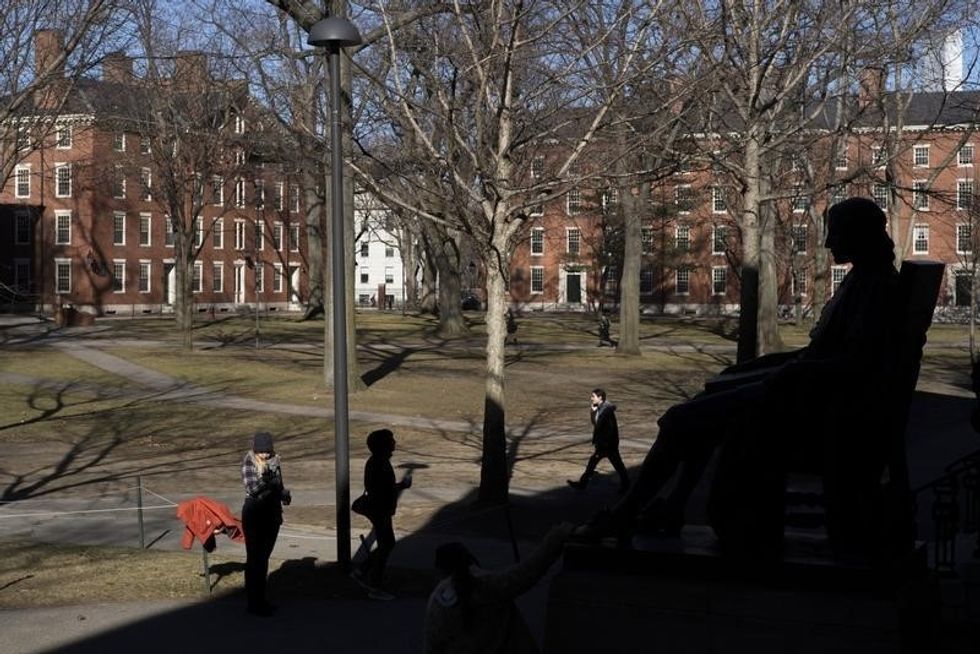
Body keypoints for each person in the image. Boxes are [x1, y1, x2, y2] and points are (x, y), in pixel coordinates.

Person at [577, 197, 901, 558]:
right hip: (807, 398)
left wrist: (789, 371)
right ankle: (674, 504)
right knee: (706, 401)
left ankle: (627, 512)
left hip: (817, 414)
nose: (827, 244)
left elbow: (857, 363)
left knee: (681, 420)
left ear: (859, 234)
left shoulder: (876, 288)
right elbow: (820, 355)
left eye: (835, 234)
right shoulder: (863, 280)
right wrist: (749, 369)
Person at [423, 523, 574, 654]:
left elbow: (432, 646)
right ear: (471, 560)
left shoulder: (438, 602)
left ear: (440, 570)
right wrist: (555, 539)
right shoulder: (490, 586)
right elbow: (528, 571)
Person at [353, 428, 411, 600]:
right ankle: (374, 585)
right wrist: (400, 486)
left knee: (387, 544)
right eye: (391, 440)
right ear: (384, 445)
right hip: (380, 510)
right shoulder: (379, 463)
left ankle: (362, 571)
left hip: (381, 509)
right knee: (387, 544)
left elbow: (384, 487)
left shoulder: (379, 461)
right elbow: (381, 489)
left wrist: (400, 486)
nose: (395, 443)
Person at [241, 431, 291, 616]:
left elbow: (278, 486)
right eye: (261, 452)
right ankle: (253, 602)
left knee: (264, 558)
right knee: (255, 558)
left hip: (272, 513)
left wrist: (283, 495)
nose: (265, 455)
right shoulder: (249, 462)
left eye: (267, 452)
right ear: (255, 450)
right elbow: (252, 489)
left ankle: (261, 599)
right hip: (254, 512)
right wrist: (266, 481)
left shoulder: (275, 462)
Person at [567, 388, 631, 493]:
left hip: (608, 444)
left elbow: (611, 429)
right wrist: (593, 411)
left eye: (593, 396)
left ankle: (626, 484)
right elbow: (596, 424)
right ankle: (583, 484)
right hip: (604, 444)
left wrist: (605, 442)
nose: (591, 398)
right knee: (608, 463)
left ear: (600, 397)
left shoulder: (607, 411)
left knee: (616, 464)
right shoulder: (600, 409)